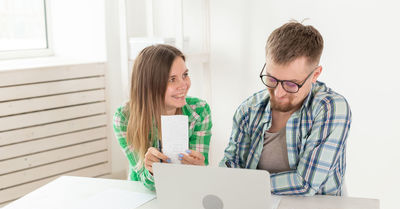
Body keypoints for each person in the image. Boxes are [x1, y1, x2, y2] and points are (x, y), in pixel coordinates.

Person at [220, 22, 351, 196]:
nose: (278, 93)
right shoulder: (248, 110)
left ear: (315, 74)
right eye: (272, 79)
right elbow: (230, 167)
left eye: (291, 84)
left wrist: (246, 184)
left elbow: (305, 184)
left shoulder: (331, 108)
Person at [114, 44, 212, 191]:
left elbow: (196, 177)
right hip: (142, 194)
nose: (184, 85)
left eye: (185, 75)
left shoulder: (199, 110)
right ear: (149, 85)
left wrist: (198, 169)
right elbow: (144, 180)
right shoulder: (124, 118)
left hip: (183, 192)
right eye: (172, 79)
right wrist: (152, 171)